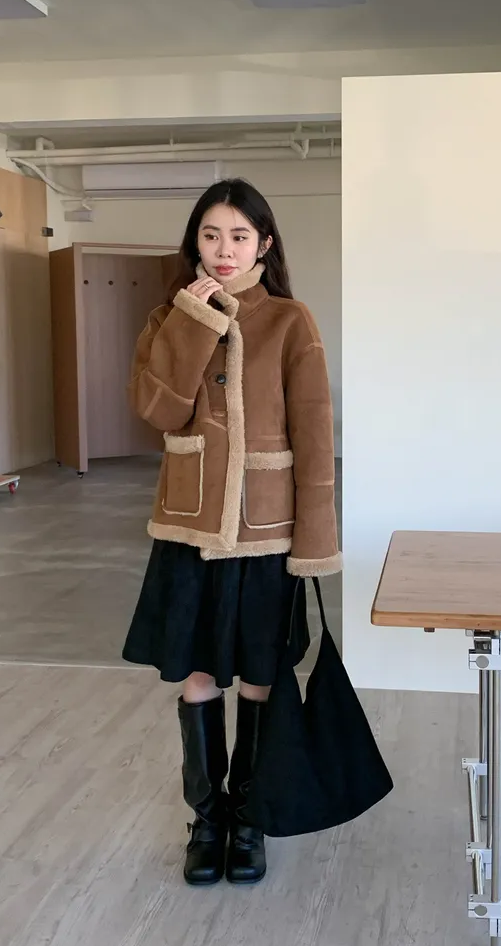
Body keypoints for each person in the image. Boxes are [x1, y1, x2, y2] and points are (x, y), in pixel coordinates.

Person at [122, 178, 341, 887]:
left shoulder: (290, 320)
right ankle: (207, 820)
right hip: (189, 528)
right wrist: (196, 319)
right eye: (211, 235)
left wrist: (315, 539)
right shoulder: (169, 316)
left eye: (239, 236)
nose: (224, 249)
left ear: (264, 244)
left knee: (259, 676)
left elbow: (315, 433)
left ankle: (248, 818)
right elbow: (158, 409)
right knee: (197, 674)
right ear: (195, 241)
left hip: (265, 531)